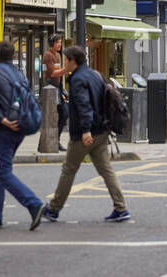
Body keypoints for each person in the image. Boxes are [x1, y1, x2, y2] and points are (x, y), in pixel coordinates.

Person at [42, 45, 129, 223]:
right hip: (102, 130)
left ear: (73, 61)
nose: (64, 63)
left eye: (66, 60)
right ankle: (121, 208)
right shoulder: (95, 74)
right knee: (106, 170)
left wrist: (86, 130)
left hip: (85, 133)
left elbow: (84, 106)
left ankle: (53, 209)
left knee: (68, 170)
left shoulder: (78, 79)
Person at [0, 41, 45, 230]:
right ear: (13, 55)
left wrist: (0, 119)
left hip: (3, 128)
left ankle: (33, 204)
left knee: (1, 172)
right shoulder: (19, 74)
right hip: (20, 127)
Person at [42, 34, 68, 150]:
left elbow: (58, 72)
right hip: (50, 88)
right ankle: (53, 140)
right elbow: (52, 73)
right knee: (57, 114)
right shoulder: (48, 55)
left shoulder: (58, 55)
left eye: (60, 42)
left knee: (64, 113)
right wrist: (66, 69)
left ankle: (56, 139)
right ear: (52, 44)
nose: (60, 45)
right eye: (58, 42)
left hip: (58, 87)